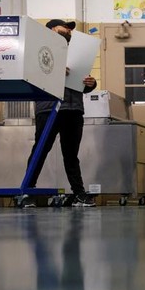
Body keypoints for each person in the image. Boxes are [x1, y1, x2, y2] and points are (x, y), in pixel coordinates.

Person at [23, 19, 97, 207]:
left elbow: (80, 84)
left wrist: (90, 84)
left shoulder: (76, 53)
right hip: (48, 108)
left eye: (69, 31)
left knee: (71, 154)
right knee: (40, 150)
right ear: (50, 30)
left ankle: (79, 194)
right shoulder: (39, 50)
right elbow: (32, 77)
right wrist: (54, 71)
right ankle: (27, 192)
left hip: (73, 109)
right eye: (63, 30)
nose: (67, 33)